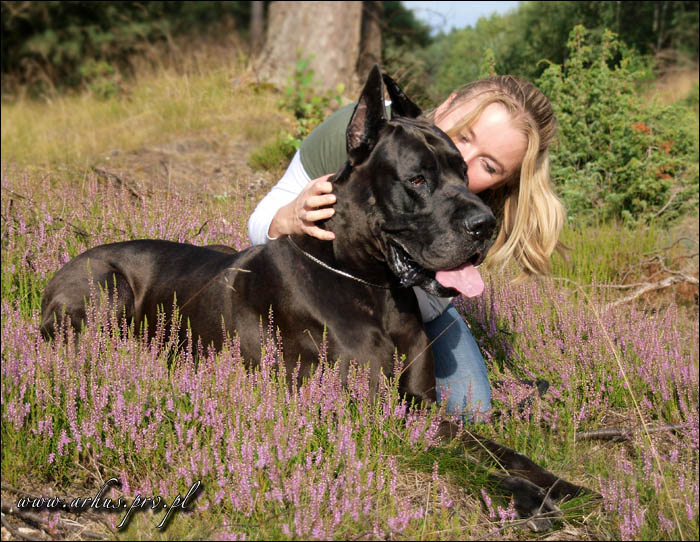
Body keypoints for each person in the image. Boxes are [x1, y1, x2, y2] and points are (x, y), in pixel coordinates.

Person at [248, 74, 565, 422]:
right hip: (321, 284)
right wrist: (288, 216)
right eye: (463, 135)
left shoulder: (482, 206)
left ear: (505, 181)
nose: (463, 157)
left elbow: (436, 298)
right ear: (448, 104)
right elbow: (259, 225)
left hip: (411, 299)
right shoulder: (364, 131)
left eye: (489, 166)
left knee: (469, 409)